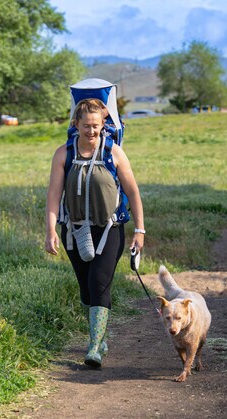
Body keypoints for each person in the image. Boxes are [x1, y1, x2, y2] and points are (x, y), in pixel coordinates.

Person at [45, 98, 145, 368]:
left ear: (104, 125)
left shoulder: (114, 153)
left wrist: (139, 230)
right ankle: (99, 338)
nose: (91, 131)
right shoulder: (63, 154)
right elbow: (54, 195)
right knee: (86, 291)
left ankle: (93, 348)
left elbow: (133, 192)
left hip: (109, 229)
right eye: (86, 125)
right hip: (74, 230)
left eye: (96, 126)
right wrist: (51, 230)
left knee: (99, 284)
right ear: (75, 124)